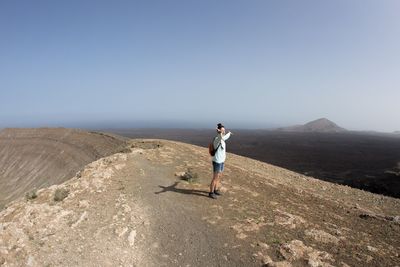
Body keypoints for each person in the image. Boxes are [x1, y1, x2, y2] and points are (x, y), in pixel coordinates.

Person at [209, 123, 232, 199]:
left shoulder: (222, 139)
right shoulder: (217, 139)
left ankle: (215, 190)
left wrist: (229, 133)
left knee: (218, 177)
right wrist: (219, 132)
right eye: (222, 130)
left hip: (221, 161)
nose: (223, 131)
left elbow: (224, 137)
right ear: (219, 131)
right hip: (217, 162)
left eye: (224, 130)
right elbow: (220, 136)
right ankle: (211, 193)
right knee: (215, 177)